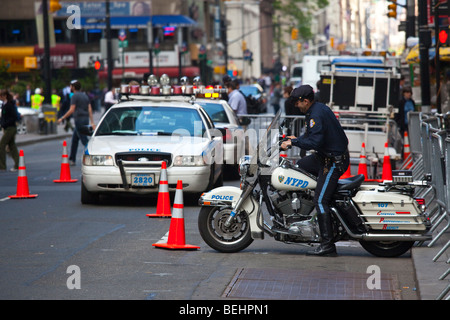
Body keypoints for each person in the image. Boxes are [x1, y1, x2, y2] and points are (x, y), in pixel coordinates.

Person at [280, 85, 349, 257]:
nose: (296, 106)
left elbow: (315, 143)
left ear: (306, 100)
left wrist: (294, 143)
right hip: (324, 157)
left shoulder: (316, 114)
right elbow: (312, 137)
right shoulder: (314, 110)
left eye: (298, 102)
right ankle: (303, 210)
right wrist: (296, 139)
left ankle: (327, 245)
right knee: (300, 166)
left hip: (333, 161)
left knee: (320, 200)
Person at [57, 80, 95, 166]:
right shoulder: (85, 95)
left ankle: (93, 156)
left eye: (70, 86)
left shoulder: (74, 96)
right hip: (85, 119)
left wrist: (62, 118)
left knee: (84, 140)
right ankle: (72, 158)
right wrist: (92, 122)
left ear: (73, 87)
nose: (70, 88)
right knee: (75, 139)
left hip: (79, 120)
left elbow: (72, 109)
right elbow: (89, 108)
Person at [0, 89, 20, 172]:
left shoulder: (9, 105)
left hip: (10, 128)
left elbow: (13, 117)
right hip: (8, 127)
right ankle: (18, 164)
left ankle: (2, 166)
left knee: (2, 145)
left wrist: (4, 124)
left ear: (4, 96)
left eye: (0, 96)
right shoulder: (5, 105)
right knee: (12, 146)